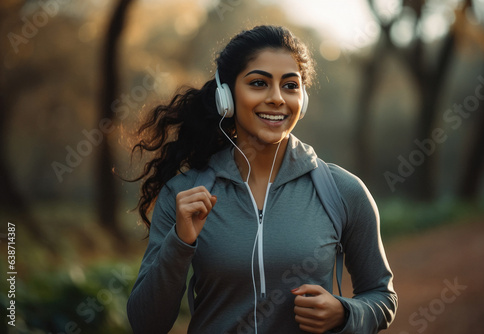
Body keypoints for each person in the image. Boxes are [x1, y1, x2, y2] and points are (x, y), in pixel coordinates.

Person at [126, 25, 397, 334]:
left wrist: (345, 313)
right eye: (259, 83)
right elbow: (145, 323)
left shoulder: (342, 191)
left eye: (290, 86)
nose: (277, 98)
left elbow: (382, 297)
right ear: (226, 96)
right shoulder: (184, 195)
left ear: (303, 99)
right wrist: (180, 241)